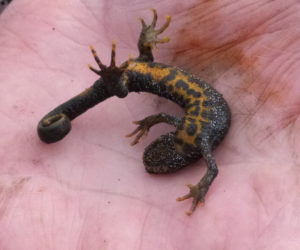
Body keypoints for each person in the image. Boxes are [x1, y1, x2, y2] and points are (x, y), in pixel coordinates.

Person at [0, 1, 299, 249]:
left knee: (135, 73)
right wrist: (200, 190)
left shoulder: (193, 134)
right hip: (128, 80)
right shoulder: (197, 138)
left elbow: (169, 124)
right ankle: (116, 78)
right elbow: (214, 169)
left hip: (139, 74)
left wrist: (148, 120)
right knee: (124, 80)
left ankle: (129, 66)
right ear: (175, 153)